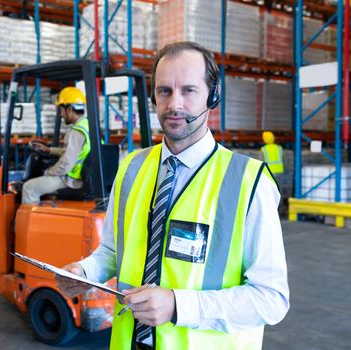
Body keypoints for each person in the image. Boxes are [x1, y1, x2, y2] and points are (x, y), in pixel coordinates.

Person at [56, 41, 289, 349]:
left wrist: (179, 306)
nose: (174, 104)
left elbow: (271, 298)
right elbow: (113, 251)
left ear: (213, 95)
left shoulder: (249, 181)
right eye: (164, 91)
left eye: (188, 91)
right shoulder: (132, 167)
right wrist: (85, 271)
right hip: (130, 342)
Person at [21, 86, 91, 204]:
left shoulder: (76, 132)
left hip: (72, 179)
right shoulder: (87, 126)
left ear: (69, 109)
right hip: (81, 177)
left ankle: (30, 222)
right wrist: (49, 150)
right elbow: (75, 152)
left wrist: (48, 172)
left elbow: (65, 164)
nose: (61, 115)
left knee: (29, 188)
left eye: (61, 110)